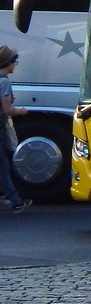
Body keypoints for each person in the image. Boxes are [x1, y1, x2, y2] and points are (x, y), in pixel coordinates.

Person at [0, 46, 32, 213]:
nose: (15, 66)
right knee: (3, 166)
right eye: (15, 62)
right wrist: (21, 111)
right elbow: (7, 110)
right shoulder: (4, 82)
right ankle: (16, 201)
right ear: (8, 63)